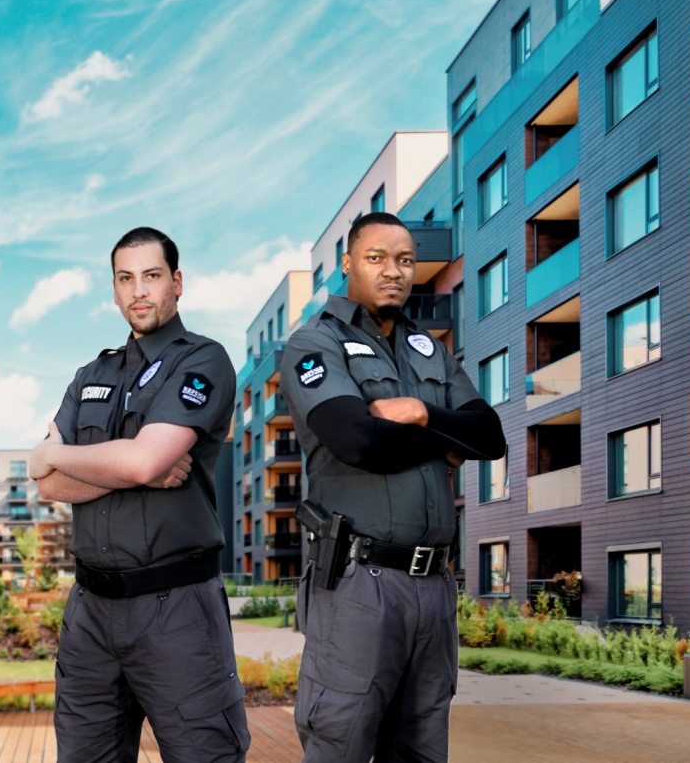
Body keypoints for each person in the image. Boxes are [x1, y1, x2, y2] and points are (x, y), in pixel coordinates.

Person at [281, 212, 505, 762]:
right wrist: (445, 436)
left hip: (434, 589)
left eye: (405, 261)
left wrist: (419, 414)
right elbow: (357, 440)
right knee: (342, 742)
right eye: (377, 258)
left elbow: (491, 435)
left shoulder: (428, 349)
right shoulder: (314, 342)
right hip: (361, 584)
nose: (394, 272)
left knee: (423, 747)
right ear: (348, 264)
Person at [29, 227, 250, 763]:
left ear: (176, 283)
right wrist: (131, 467)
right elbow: (51, 485)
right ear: (113, 290)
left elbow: (136, 460)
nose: (139, 291)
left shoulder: (202, 361)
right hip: (90, 615)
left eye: (152, 276)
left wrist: (55, 454)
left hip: (175, 609)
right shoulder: (91, 376)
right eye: (126, 279)